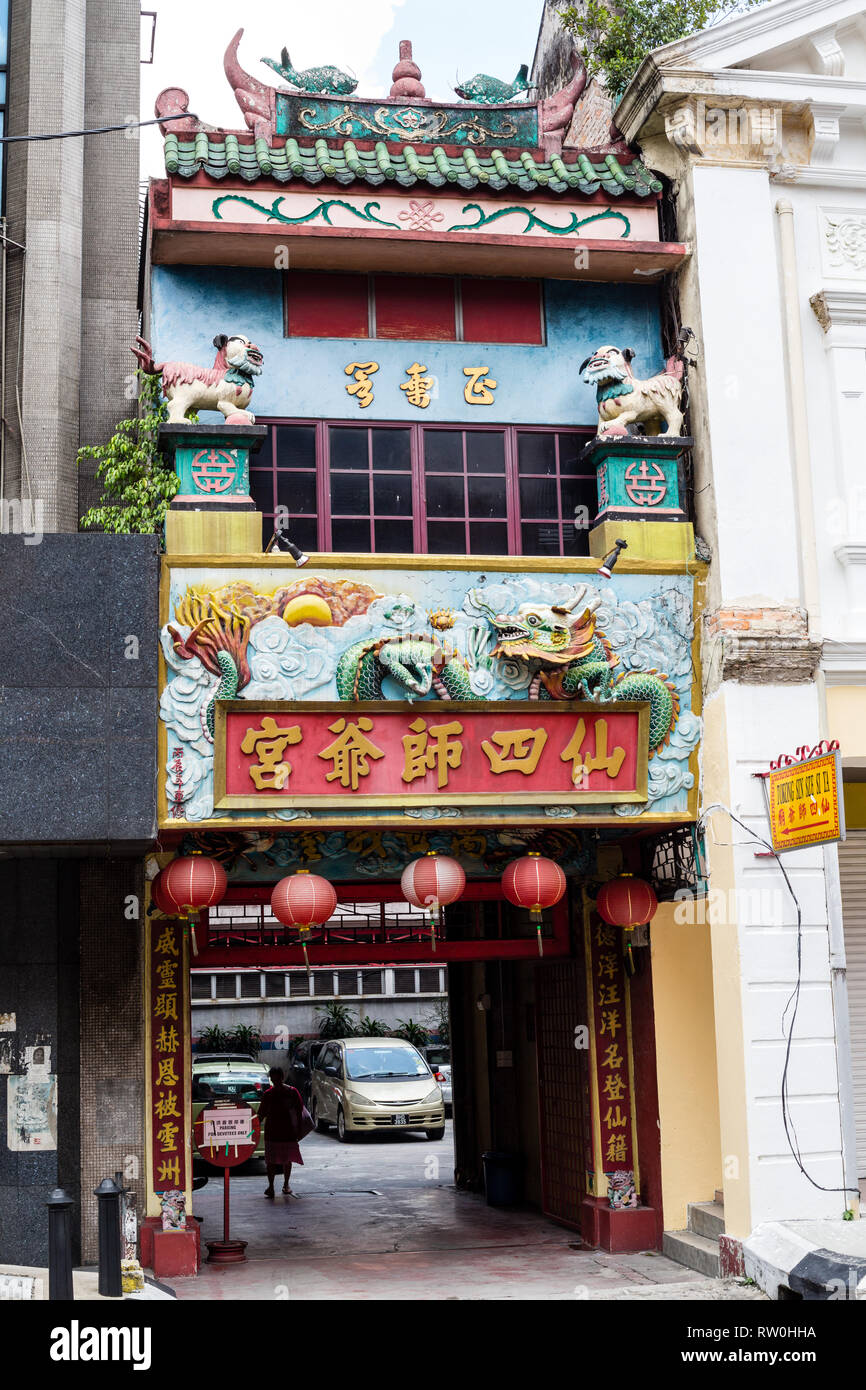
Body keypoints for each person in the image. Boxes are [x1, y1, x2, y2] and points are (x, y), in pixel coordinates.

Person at [257, 1066, 307, 1199]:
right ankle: (282, 1185)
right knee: (285, 1160)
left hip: (279, 1132)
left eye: (276, 1079)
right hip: (284, 1132)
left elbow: (261, 1114)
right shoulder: (290, 1092)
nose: (275, 1082)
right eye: (274, 1080)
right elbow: (300, 1110)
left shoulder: (270, 1094)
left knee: (273, 1161)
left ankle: (275, 1186)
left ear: (280, 1078)